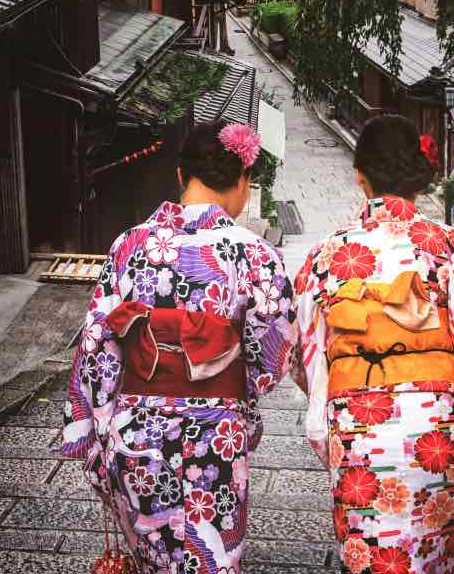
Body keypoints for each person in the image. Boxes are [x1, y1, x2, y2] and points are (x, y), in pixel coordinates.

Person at [291, 114, 454, 574]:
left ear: (359, 174)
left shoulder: (326, 255)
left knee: (373, 558)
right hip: (438, 428)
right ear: (417, 172)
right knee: (438, 560)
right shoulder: (451, 247)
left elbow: (301, 352)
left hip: (358, 430)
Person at [63, 120, 296, 574]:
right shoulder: (255, 254)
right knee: (212, 558)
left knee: (154, 559)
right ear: (243, 183)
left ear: (179, 176)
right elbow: (272, 354)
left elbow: (97, 342)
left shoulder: (128, 246)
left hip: (137, 436)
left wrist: (91, 426)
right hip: (216, 436)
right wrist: (233, 383)